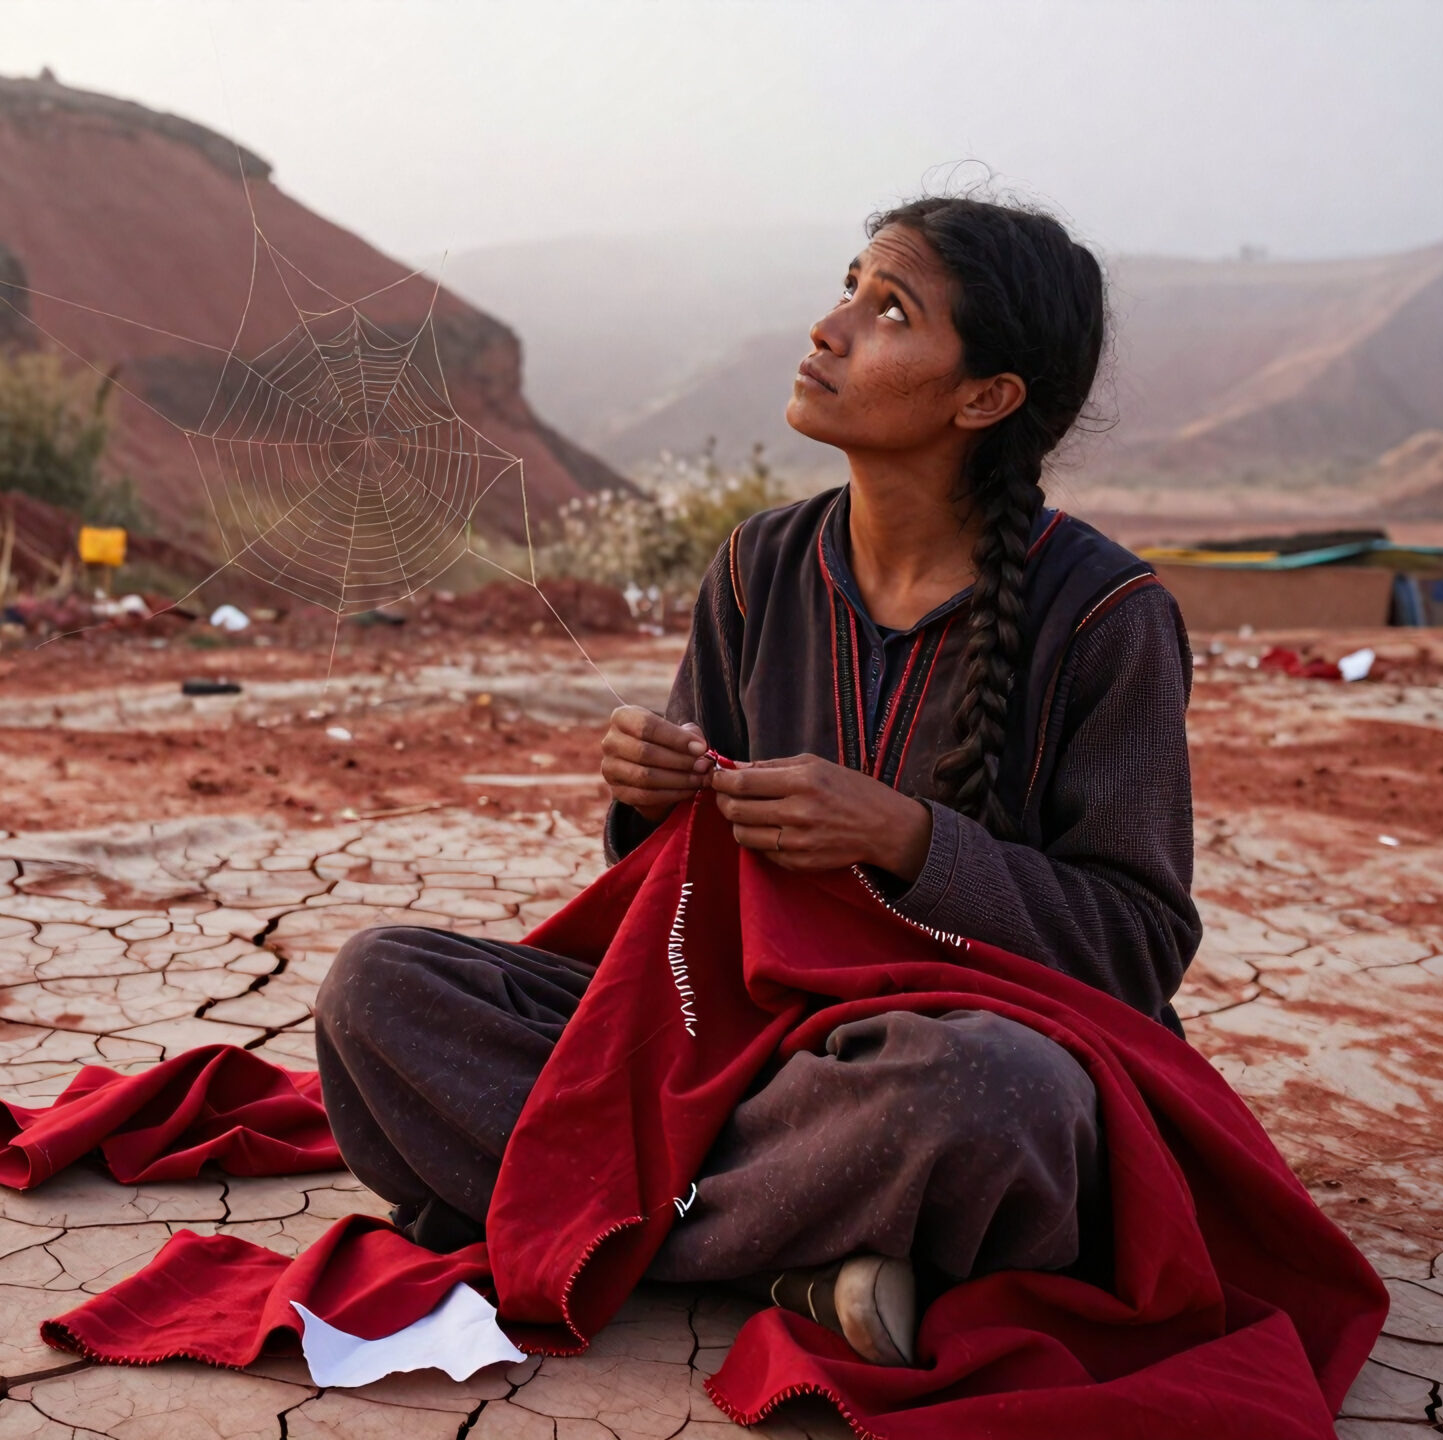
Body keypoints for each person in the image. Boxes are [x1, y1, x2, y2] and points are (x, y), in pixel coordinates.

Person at [315, 196, 1198, 1366]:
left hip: (913, 1064)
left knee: (994, 1099)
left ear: (984, 398)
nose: (828, 328)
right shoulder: (758, 564)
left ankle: (618, 1214)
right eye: (846, 286)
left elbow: (1135, 945)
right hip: (725, 1035)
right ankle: (792, 1258)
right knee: (378, 987)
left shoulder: (1106, 617)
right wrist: (648, 797)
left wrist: (906, 841)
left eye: (888, 310)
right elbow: (667, 906)